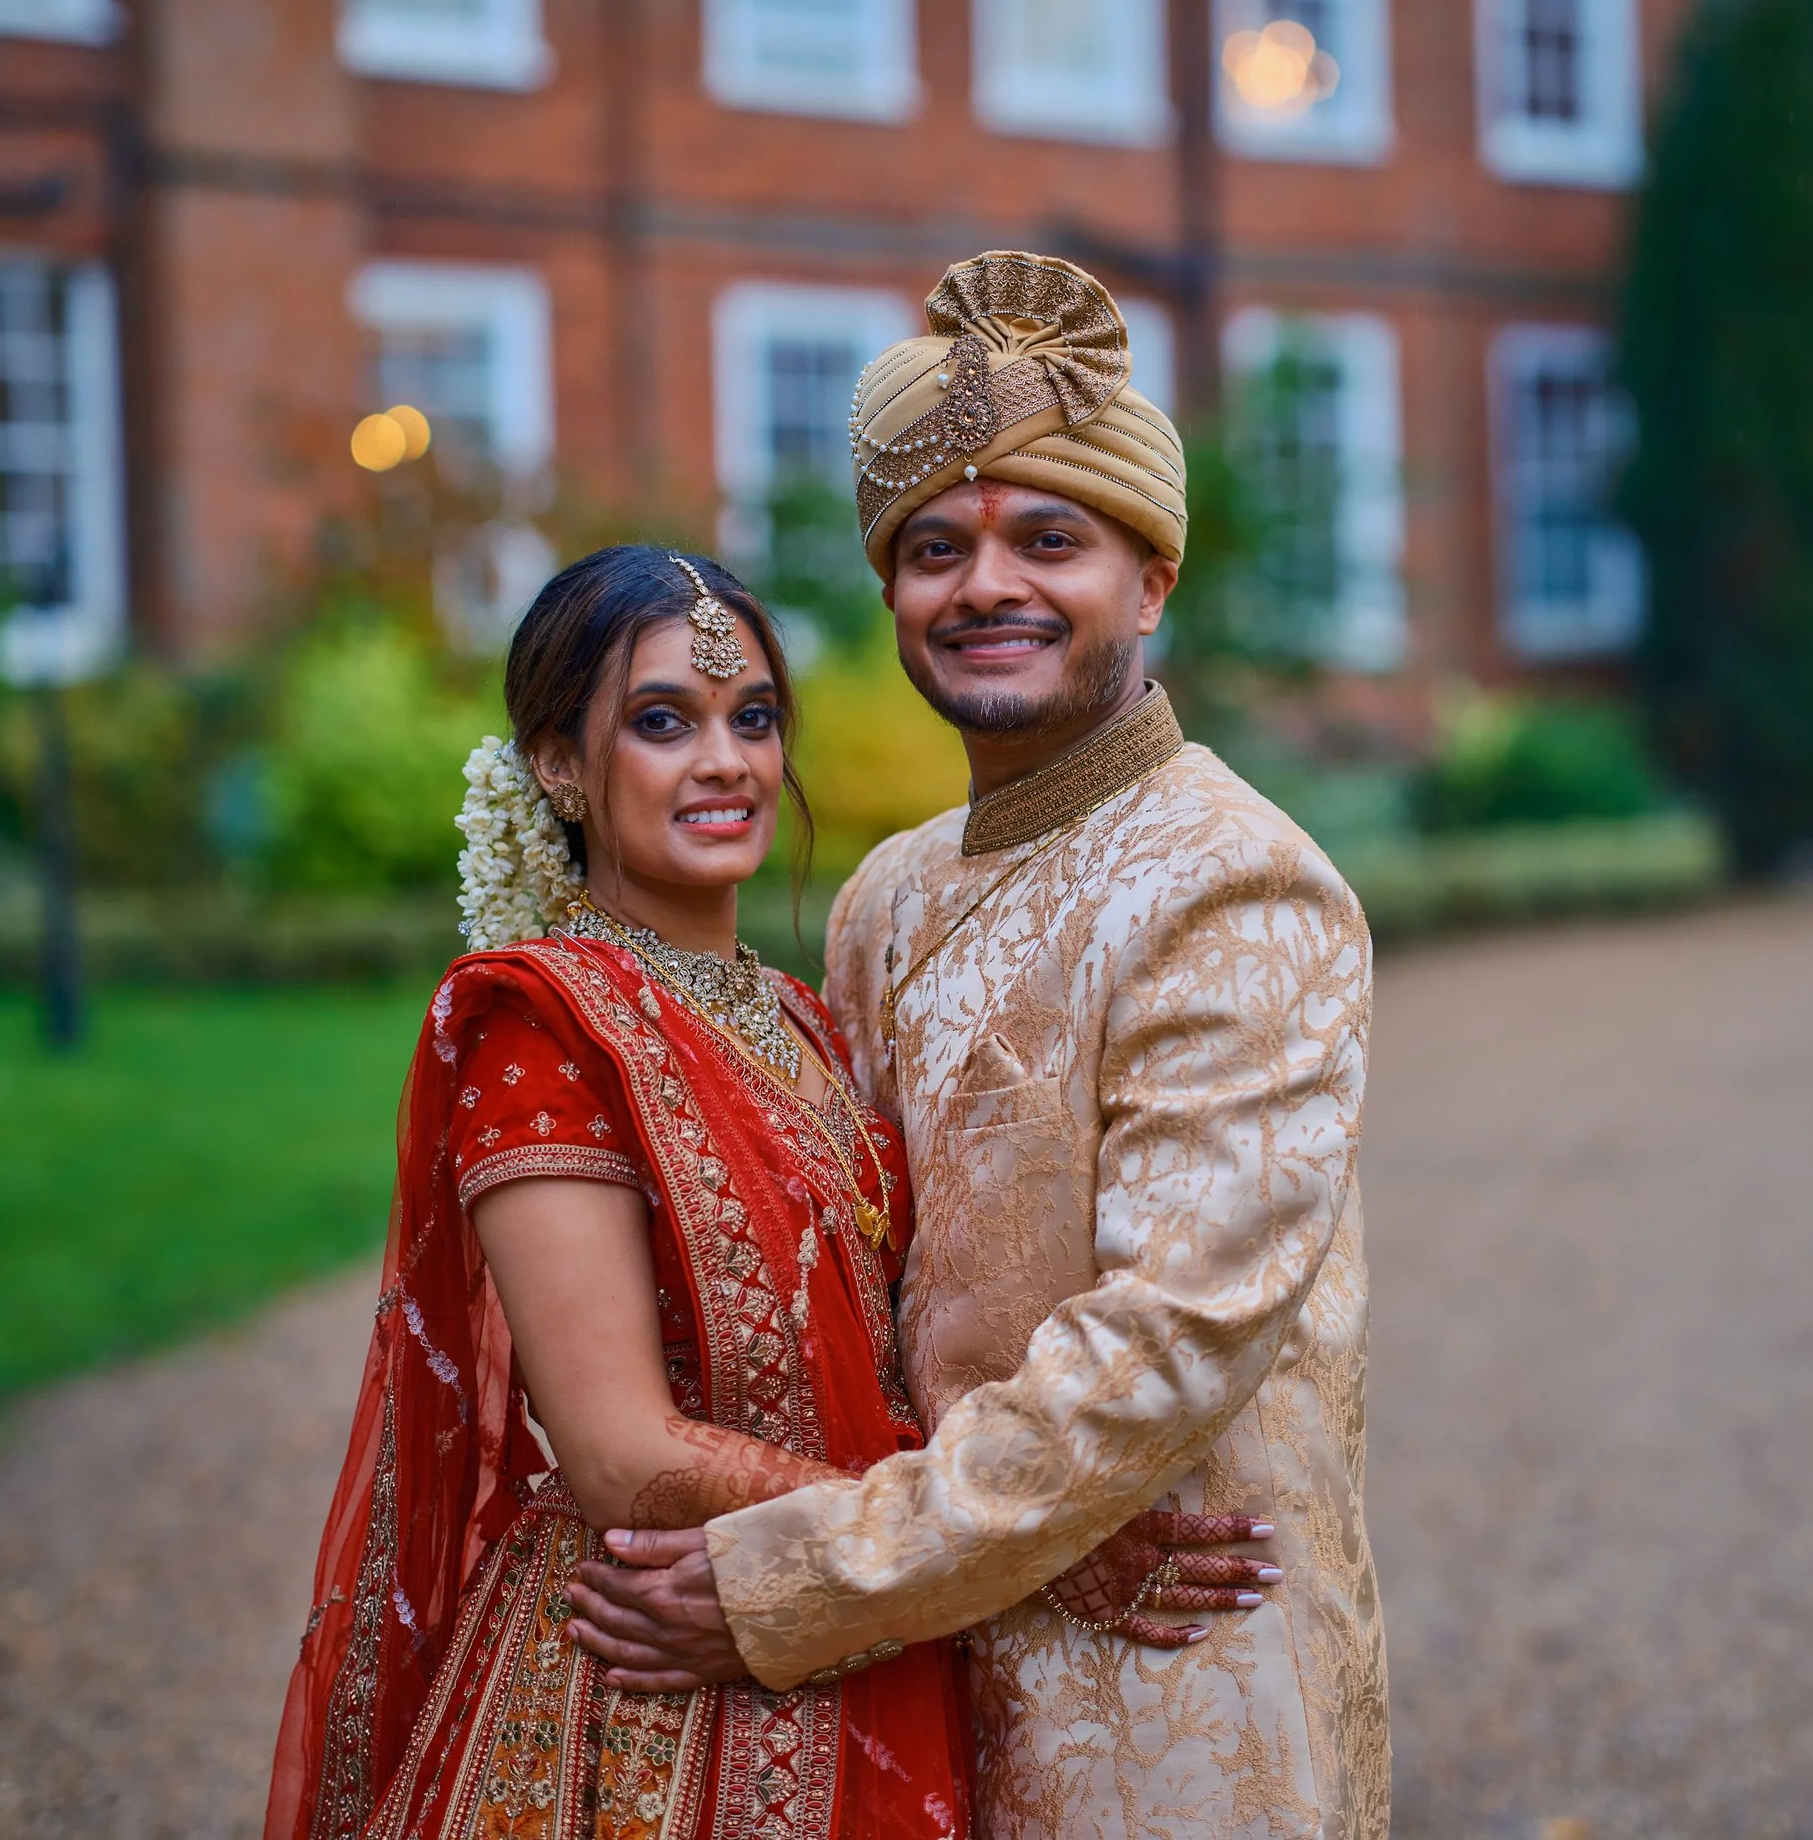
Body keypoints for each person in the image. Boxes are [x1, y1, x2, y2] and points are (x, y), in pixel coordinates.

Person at [564, 251, 1389, 1837]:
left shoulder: (1238, 882)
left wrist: (790, 1577)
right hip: (930, 1644)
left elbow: (1158, 1354)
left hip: (1168, 1681)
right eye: (935, 547)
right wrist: (1025, 1535)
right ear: (891, 598)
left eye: (1050, 539)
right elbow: (848, 1281)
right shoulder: (888, 894)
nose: (984, 583)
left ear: (1149, 581)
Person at [263, 544, 1265, 1840]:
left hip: (858, 1612)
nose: (727, 762)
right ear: (561, 766)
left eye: (755, 718)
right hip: (662, 1676)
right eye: (663, 722)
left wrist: (969, 1531)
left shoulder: (806, 1022)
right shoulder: (542, 1026)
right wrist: (1024, 1540)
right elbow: (624, 1456)